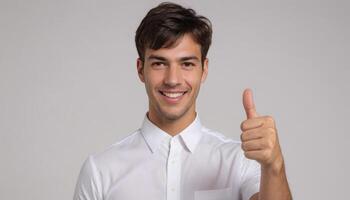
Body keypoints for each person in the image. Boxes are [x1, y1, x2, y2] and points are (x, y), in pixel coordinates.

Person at [73, 2, 292, 200]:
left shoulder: (241, 161)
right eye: (159, 63)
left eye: (186, 64)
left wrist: (274, 166)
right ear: (141, 70)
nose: (173, 80)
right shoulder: (100, 171)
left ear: (204, 69)